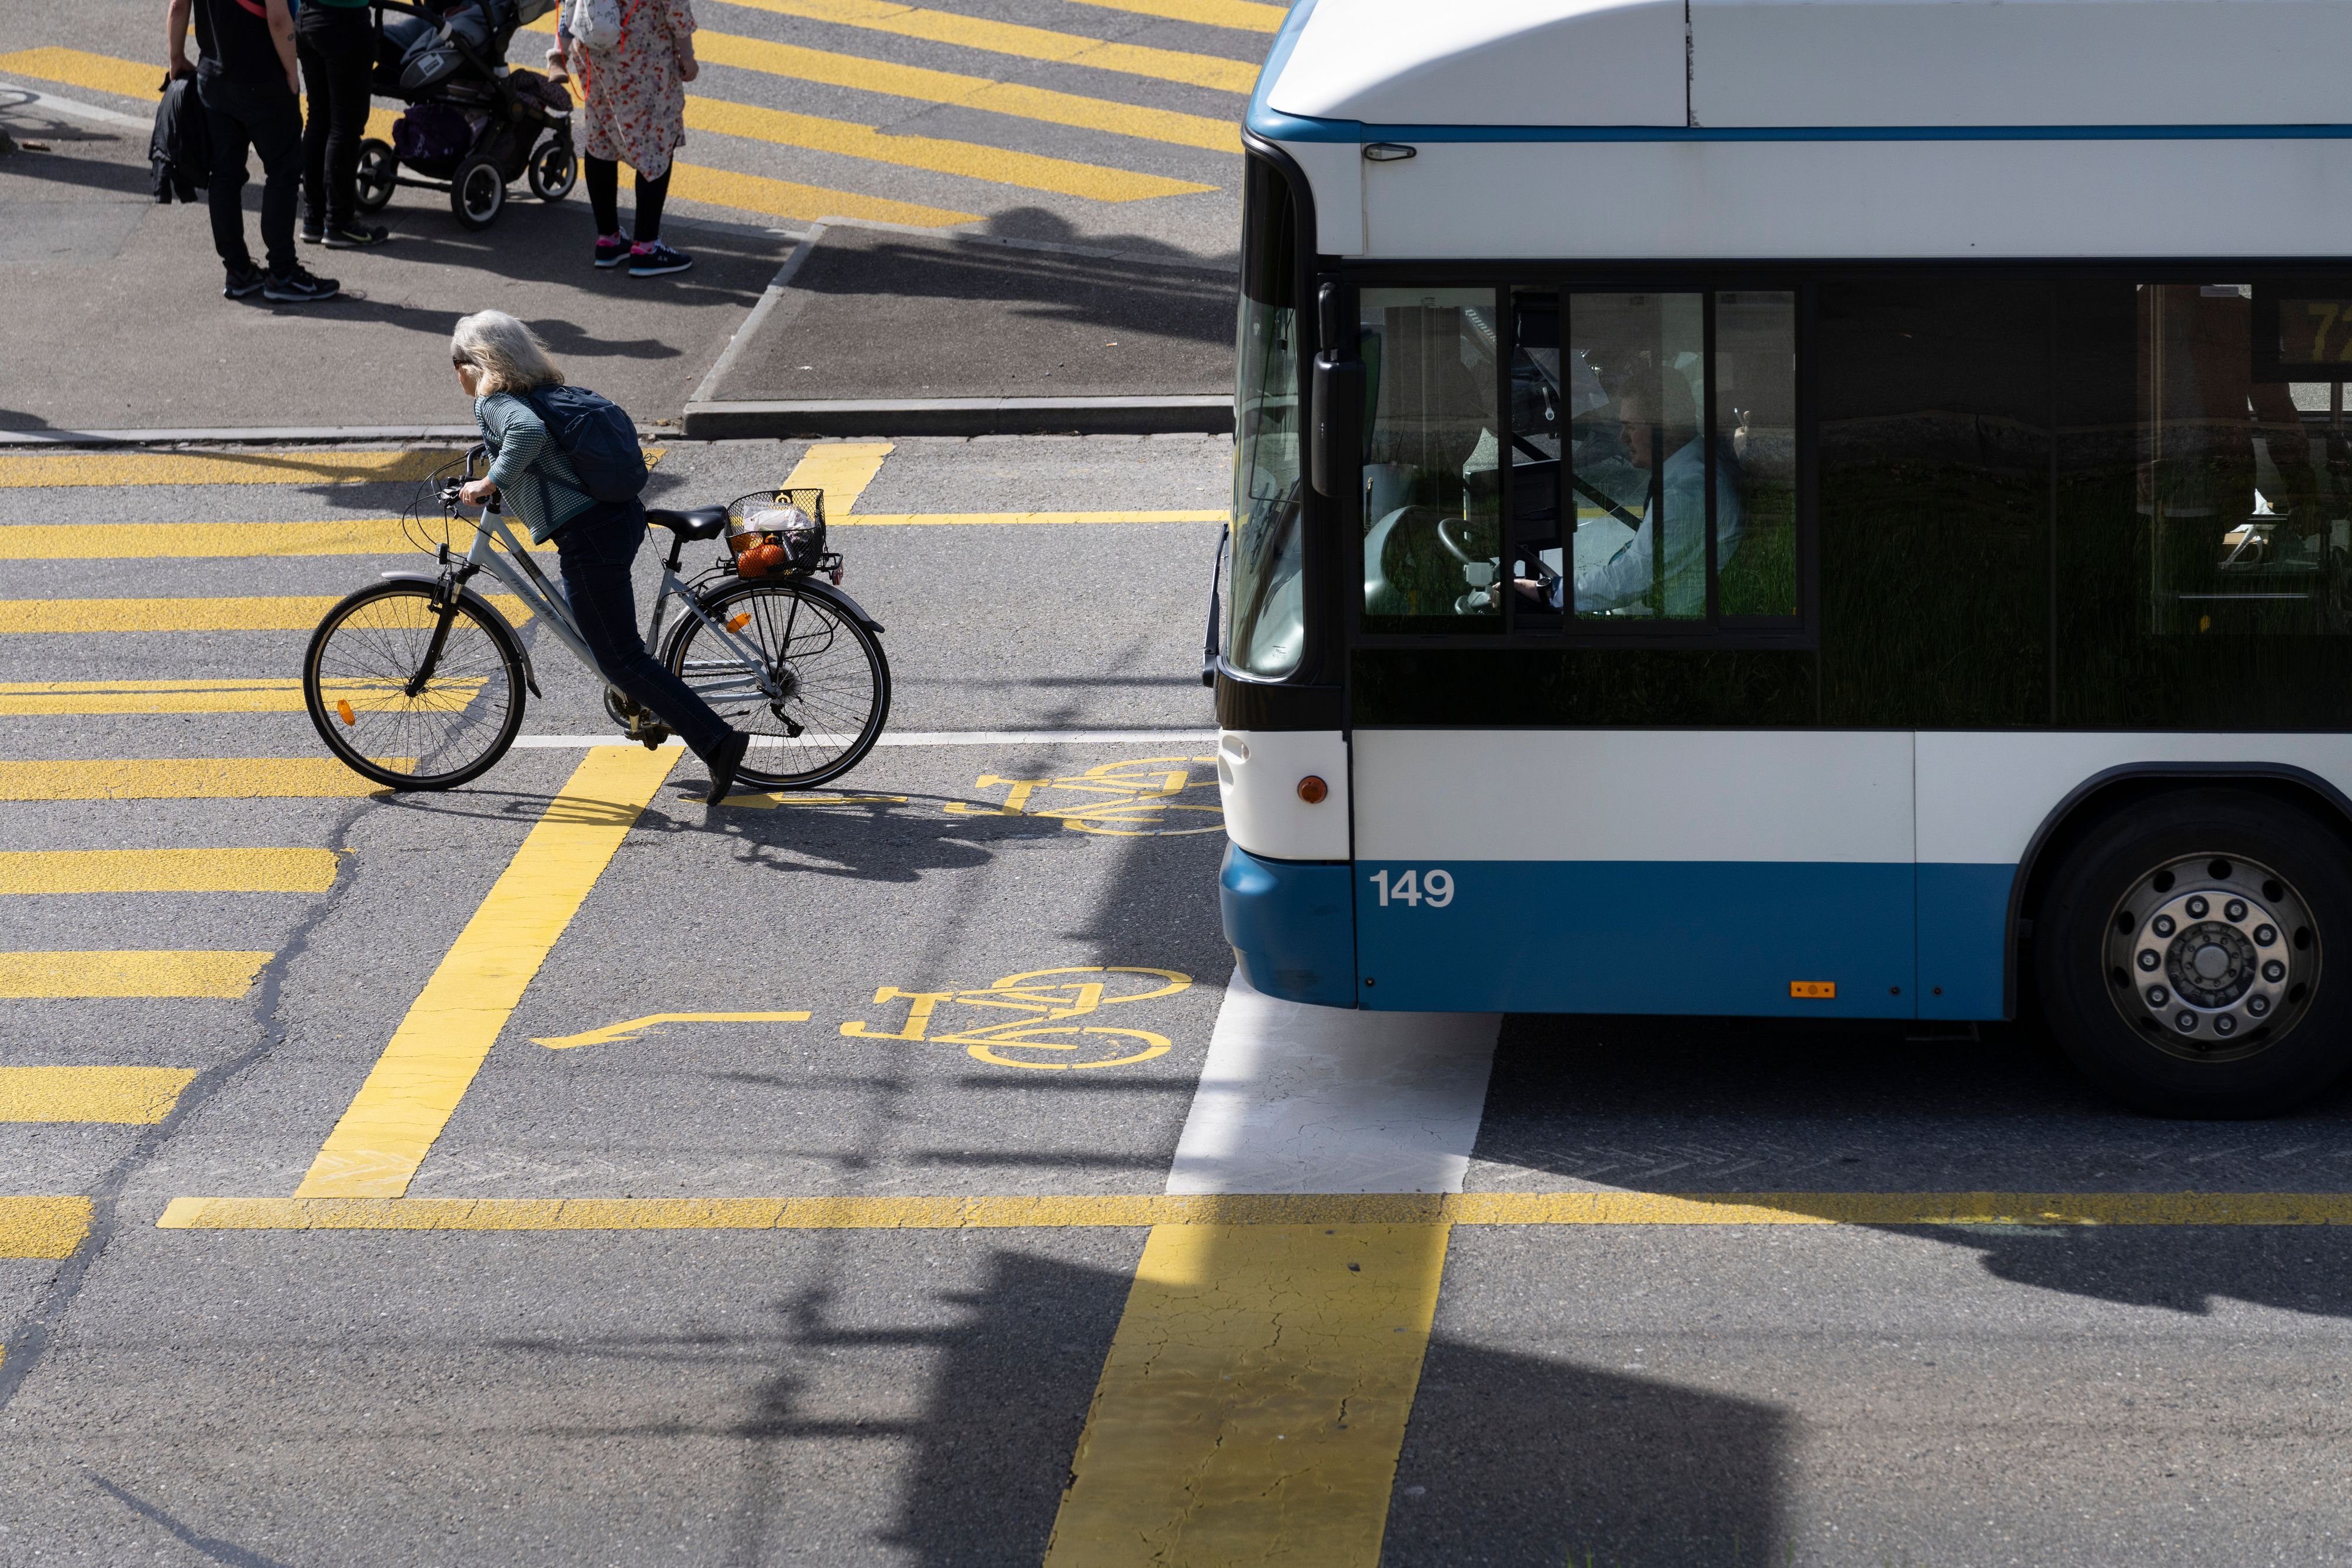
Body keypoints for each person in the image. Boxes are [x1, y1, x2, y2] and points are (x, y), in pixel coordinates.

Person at [449, 311, 748, 801]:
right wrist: (492, 466)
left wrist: (488, 482)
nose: (455, 375)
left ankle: (718, 741)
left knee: (619, 657)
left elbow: (525, 437)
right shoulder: (538, 391)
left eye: (455, 363)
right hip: (616, 517)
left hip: (589, 535)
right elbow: (540, 447)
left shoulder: (496, 401)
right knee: (616, 647)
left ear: (475, 364)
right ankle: (646, 706)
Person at [1518, 380, 1743, 617]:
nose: (1622, 438)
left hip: (1679, 624)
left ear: (1667, 428)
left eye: (1631, 427)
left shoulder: (1687, 491)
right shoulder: (1691, 469)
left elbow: (1632, 578)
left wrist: (1548, 591)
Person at [165, 0, 341, 302]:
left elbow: (179, 7)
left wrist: (177, 57)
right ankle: (283, 273)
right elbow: (277, 19)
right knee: (283, 170)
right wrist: (291, 72)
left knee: (224, 175)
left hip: (214, 80)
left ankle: (238, 271)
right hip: (263, 79)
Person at [549, 0, 697, 278]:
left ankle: (609, 240)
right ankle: (646, 248)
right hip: (643, 54)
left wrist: (560, 51)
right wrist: (688, 57)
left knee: (601, 140)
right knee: (656, 144)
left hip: (594, 50)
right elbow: (675, 8)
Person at [296, 0, 390, 248]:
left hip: (309, 18)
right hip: (344, 22)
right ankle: (339, 221)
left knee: (319, 119)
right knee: (345, 126)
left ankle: (314, 217)